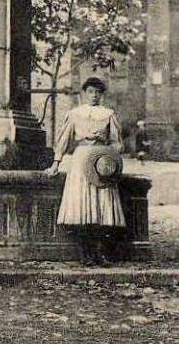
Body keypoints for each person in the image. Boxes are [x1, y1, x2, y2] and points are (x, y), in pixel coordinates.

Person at [46, 77, 125, 266]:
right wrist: (56, 163)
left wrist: (111, 155)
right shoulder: (74, 114)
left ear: (102, 95)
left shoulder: (108, 114)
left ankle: (99, 253)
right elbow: (63, 140)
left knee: (100, 207)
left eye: (97, 92)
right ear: (84, 93)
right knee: (81, 207)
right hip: (80, 160)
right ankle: (85, 254)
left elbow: (117, 142)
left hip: (101, 163)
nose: (94, 95)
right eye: (90, 91)